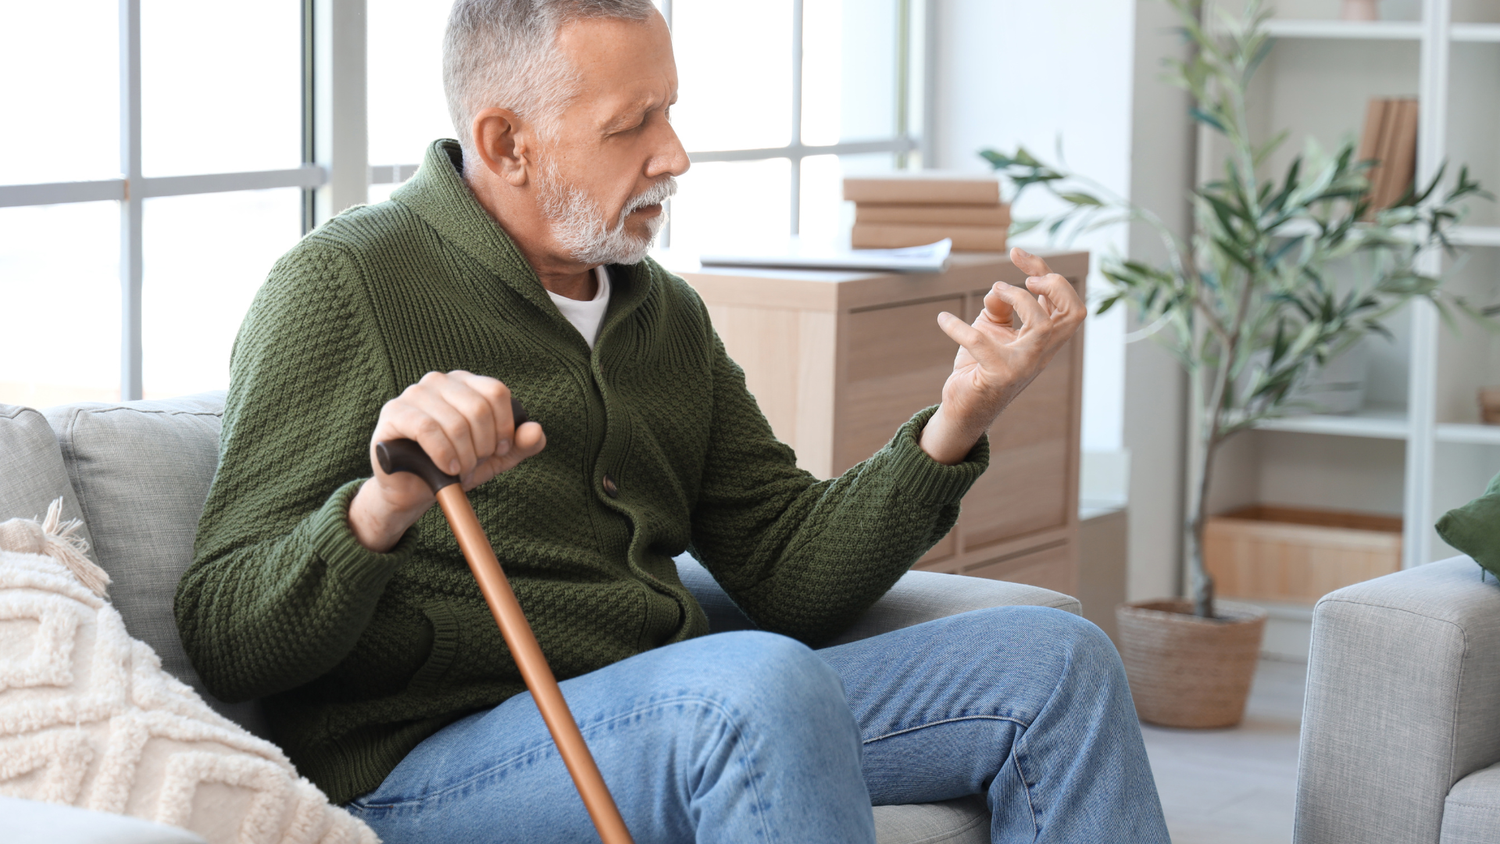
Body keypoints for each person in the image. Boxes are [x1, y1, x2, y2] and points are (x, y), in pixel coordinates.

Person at [175, 1, 1169, 841]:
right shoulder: (346, 285)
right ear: (507, 143)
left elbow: (786, 569)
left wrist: (959, 416)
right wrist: (381, 507)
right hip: (428, 765)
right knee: (750, 687)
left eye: (671, 111)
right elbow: (225, 634)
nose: (676, 154)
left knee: (1057, 660)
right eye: (631, 125)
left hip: (677, 708)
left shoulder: (662, 315)